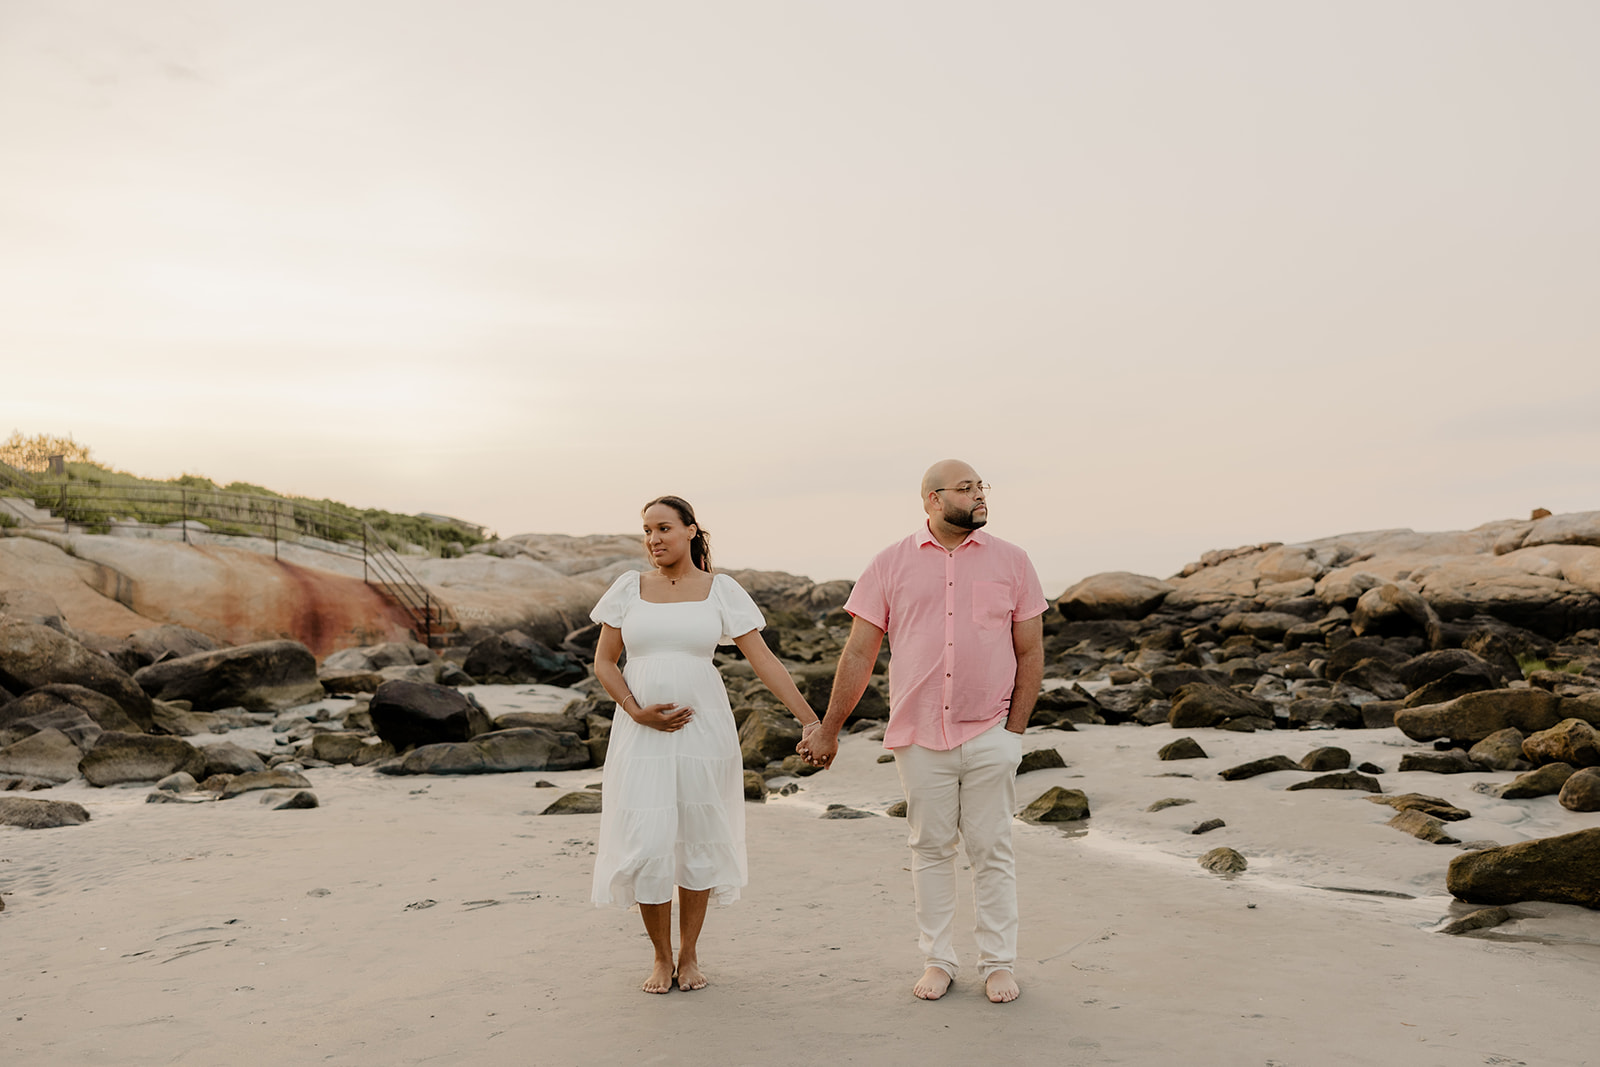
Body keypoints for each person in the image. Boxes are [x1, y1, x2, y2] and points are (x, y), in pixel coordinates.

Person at [799, 460, 1046, 1004]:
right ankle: (938, 960)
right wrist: (830, 728)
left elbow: (1030, 651)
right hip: (918, 734)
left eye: (982, 486)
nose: (979, 495)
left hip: (990, 731)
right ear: (932, 500)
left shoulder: (1014, 561)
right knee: (930, 848)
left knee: (993, 850)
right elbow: (860, 651)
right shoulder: (889, 564)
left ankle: (998, 963)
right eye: (966, 488)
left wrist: (1014, 734)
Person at [589, 495, 822, 994]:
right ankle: (659, 956)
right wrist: (635, 710)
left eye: (664, 528)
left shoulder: (722, 590)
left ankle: (689, 953)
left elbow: (764, 662)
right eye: (647, 530)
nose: (654, 539)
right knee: (648, 842)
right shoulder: (628, 588)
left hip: (703, 731)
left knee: (695, 837)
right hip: (640, 731)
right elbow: (605, 662)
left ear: (692, 530)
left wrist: (810, 721)